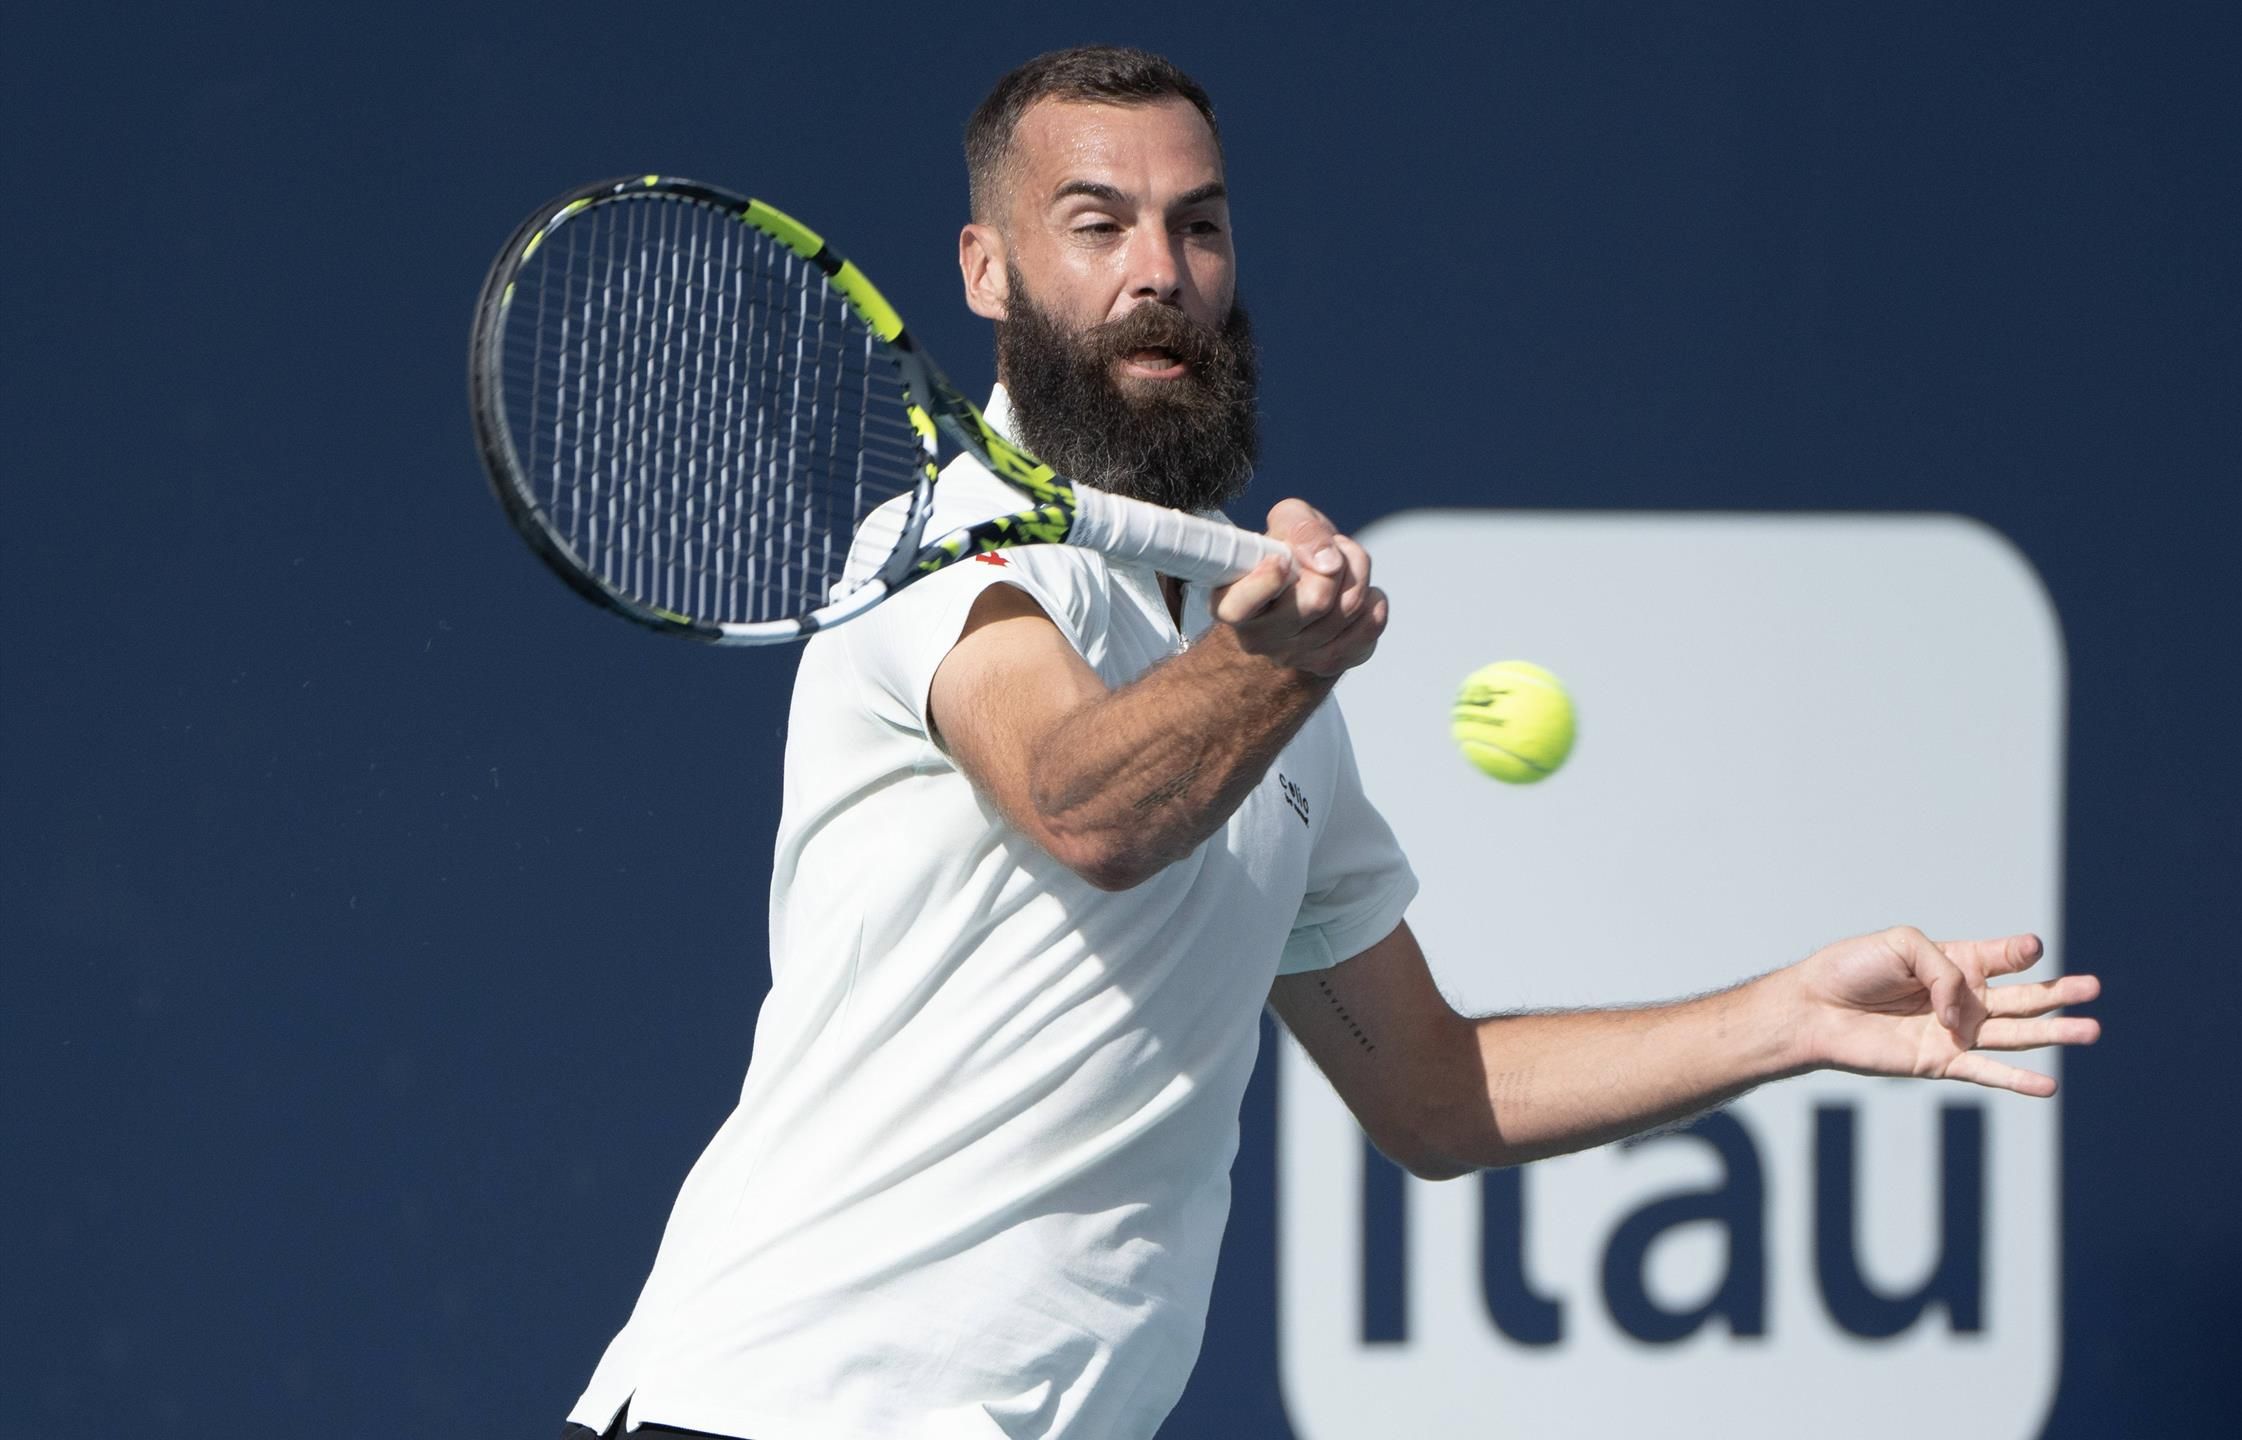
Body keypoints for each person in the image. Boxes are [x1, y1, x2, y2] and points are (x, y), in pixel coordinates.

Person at [562, 45, 2102, 1440]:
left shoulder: (1254, 654)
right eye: (1097, 225)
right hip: (784, 1406)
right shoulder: (949, 554)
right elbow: (1083, 806)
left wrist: (1787, 1019)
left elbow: (1431, 1094)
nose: (1159, 273)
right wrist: (1270, 672)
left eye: (1199, 226)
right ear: (988, 267)